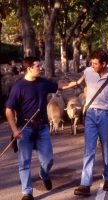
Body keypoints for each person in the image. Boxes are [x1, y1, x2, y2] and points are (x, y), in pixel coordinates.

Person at [65, 49, 108, 196]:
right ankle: (85, 183)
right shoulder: (88, 72)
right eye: (91, 63)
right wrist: (63, 86)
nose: (92, 65)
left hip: (106, 115)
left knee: (106, 149)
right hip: (90, 114)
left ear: (104, 64)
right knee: (89, 150)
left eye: (95, 63)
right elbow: (80, 83)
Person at [6, 57, 60, 200]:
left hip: (42, 127)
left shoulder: (43, 83)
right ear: (29, 68)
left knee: (48, 160)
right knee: (24, 162)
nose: (40, 68)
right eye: (37, 66)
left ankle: (44, 174)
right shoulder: (18, 87)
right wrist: (14, 130)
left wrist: (76, 82)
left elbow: (58, 86)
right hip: (25, 128)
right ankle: (27, 192)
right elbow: (8, 110)